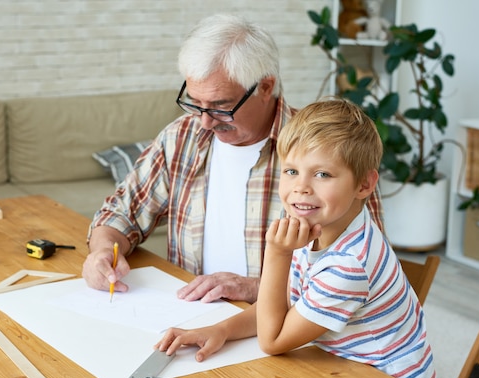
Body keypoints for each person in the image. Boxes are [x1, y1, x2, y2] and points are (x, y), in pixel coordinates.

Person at [155, 98, 444, 378]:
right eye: (291, 171)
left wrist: (278, 254)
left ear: (364, 185)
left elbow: (273, 339)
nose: (301, 187)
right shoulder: (322, 224)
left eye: (322, 174)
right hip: (345, 373)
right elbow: (284, 308)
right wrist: (223, 330)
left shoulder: (349, 264)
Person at [82, 14, 383, 304]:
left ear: (265, 87)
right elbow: (122, 212)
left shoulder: (328, 154)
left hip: (288, 332)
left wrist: (254, 289)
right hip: (191, 316)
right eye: (195, 103)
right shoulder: (181, 137)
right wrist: (103, 250)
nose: (205, 123)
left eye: (220, 106)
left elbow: (366, 267)